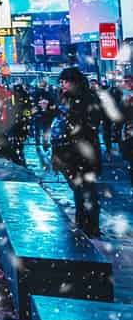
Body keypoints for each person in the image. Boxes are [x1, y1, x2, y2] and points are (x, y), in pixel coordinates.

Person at [54, 67, 103, 238]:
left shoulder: (88, 99)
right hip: (70, 153)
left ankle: (91, 227)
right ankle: (82, 222)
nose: (62, 85)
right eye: (61, 82)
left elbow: (92, 123)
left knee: (87, 189)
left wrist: (74, 125)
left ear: (74, 82)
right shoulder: (65, 99)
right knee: (78, 189)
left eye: (65, 81)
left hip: (85, 152)